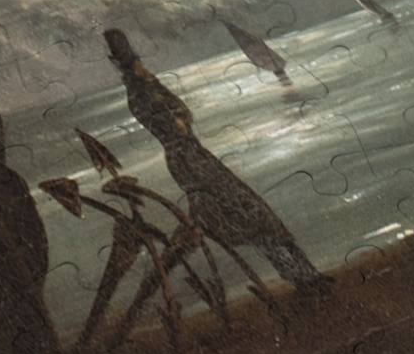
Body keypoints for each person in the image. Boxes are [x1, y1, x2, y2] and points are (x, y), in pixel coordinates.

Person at [104, 28, 332, 293]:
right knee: (256, 222)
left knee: (261, 220)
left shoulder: (148, 86)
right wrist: (177, 120)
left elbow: (180, 115)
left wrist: (178, 118)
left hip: (196, 157)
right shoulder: (141, 93)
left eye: (132, 55)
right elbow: (175, 119)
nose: (137, 61)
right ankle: (302, 277)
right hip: (191, 161)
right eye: (129, 57)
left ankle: (305, 275)